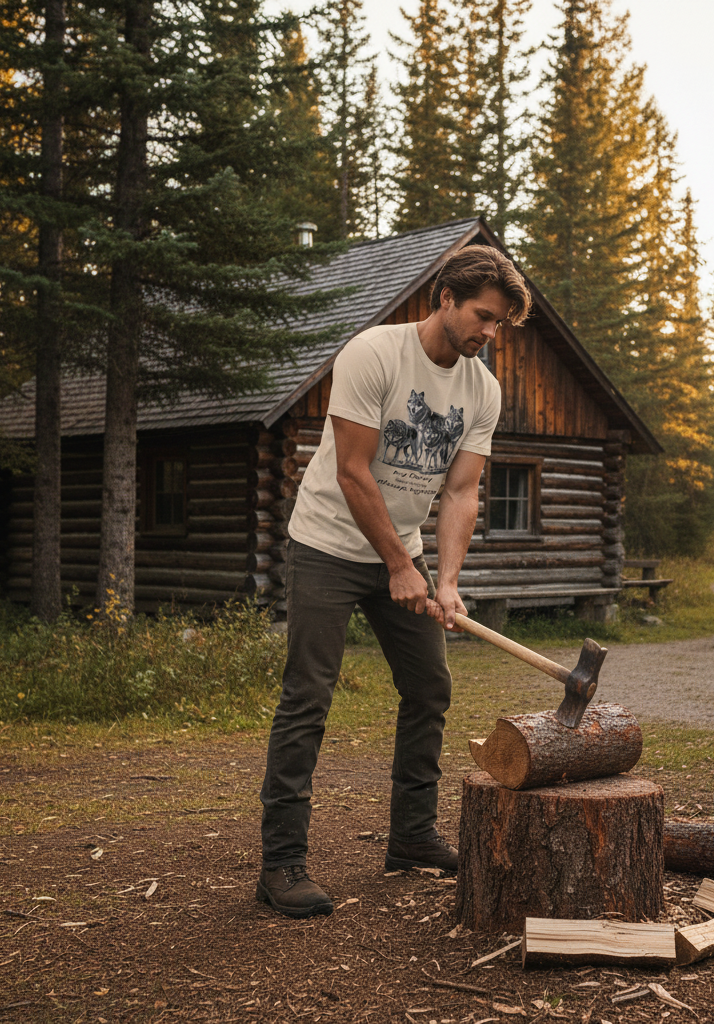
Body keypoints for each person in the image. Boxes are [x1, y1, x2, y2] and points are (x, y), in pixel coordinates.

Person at [257, 245, 532, 918]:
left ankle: (411, 838)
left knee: (430, 686)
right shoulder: (374, 354)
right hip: (327, 543)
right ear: (445, 298)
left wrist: (446, 581)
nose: (489, 335)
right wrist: (400, 566)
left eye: (499, 325)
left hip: (400, 553)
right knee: (308, 695)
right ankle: (281, 864)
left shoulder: (481, 389)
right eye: (483, 317)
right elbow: (353, 470)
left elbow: (463, 491)